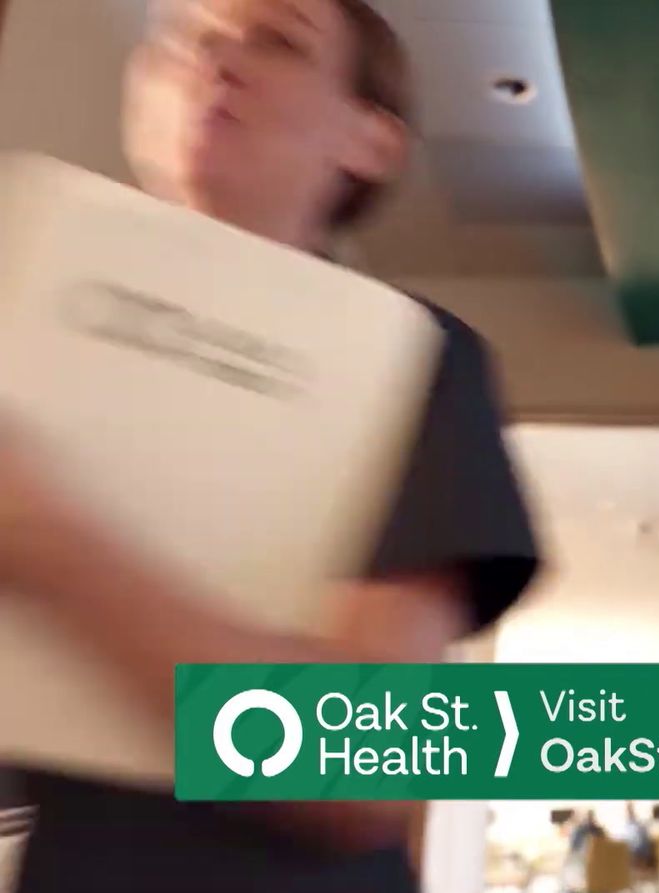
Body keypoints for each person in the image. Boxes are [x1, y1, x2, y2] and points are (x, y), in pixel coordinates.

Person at [0, 0, 540, 891]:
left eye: (279, 41)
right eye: (185, 38)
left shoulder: (417, 359)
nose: (214, 61)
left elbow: (356, 769)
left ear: (371, 140)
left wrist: (52, 545)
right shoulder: (26, 312)